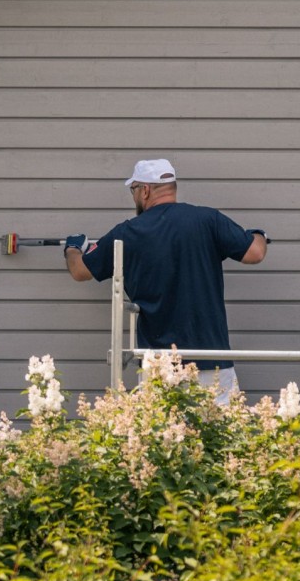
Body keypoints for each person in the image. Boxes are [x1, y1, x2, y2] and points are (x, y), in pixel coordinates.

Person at [64, 158, 269, 404]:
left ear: (145, 190)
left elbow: (80, 271)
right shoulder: (208, 220)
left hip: (160, 364)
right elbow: (255, 253)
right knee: (222, 436)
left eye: (133, 190)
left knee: (163, 438)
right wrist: (259, 235)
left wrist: (73, 247)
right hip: (212, 361)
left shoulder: (128, 233)